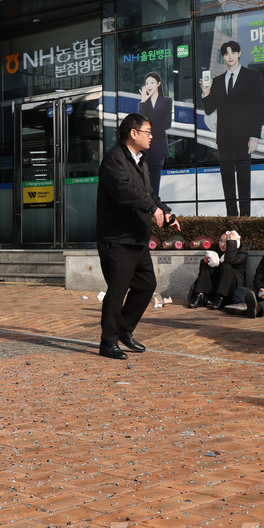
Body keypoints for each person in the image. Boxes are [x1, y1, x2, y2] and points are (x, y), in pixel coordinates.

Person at [96, 112, 180, 360]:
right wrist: (152, 208)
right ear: (133, 133)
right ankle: (107, 342)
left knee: (146, 286)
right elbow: (125, 192)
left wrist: (165, 212)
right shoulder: (114, 160)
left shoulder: (140, 162)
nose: (152, 137)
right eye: (147, 132)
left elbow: (149, 194)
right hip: (117, 238)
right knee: (118, 289)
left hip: (137, 238)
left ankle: (124, 330)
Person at [201, 41, 264, 217]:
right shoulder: (219, 81)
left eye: (232, 53)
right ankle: (232, 218)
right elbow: (209, 109)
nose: (229, 57)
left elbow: (258, 107)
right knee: (227, 180)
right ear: (223, 57)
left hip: (245, 137)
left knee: (244, 179)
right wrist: (206, 92)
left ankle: (245, 219)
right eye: (226, 54)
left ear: (239, 53)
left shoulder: (252, 76)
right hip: (224, 138)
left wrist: (254, 135)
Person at [187, 231, 246, 309]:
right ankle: (200, 295)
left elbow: (230, 260)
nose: (222, 244)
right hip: (216, 288)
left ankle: (220, 298)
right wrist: (205, 261)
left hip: (230, 289)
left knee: (227, 266)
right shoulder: (217, 252)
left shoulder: (242, 253)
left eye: (226, 242)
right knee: (207, 264)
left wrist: (232, 243)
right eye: (221, 241)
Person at [137, 72, 173, 194]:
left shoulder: (167, 101)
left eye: (152, 82)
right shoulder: (144, 104)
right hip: (145, 149)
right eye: (147, 83)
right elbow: (141, 124)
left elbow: (167, 124)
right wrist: (143, 102)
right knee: (145, 184)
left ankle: (156, 209)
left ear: (158, 83)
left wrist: (149, 126)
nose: (149, 85)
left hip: (159, 147)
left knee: (155, 184)